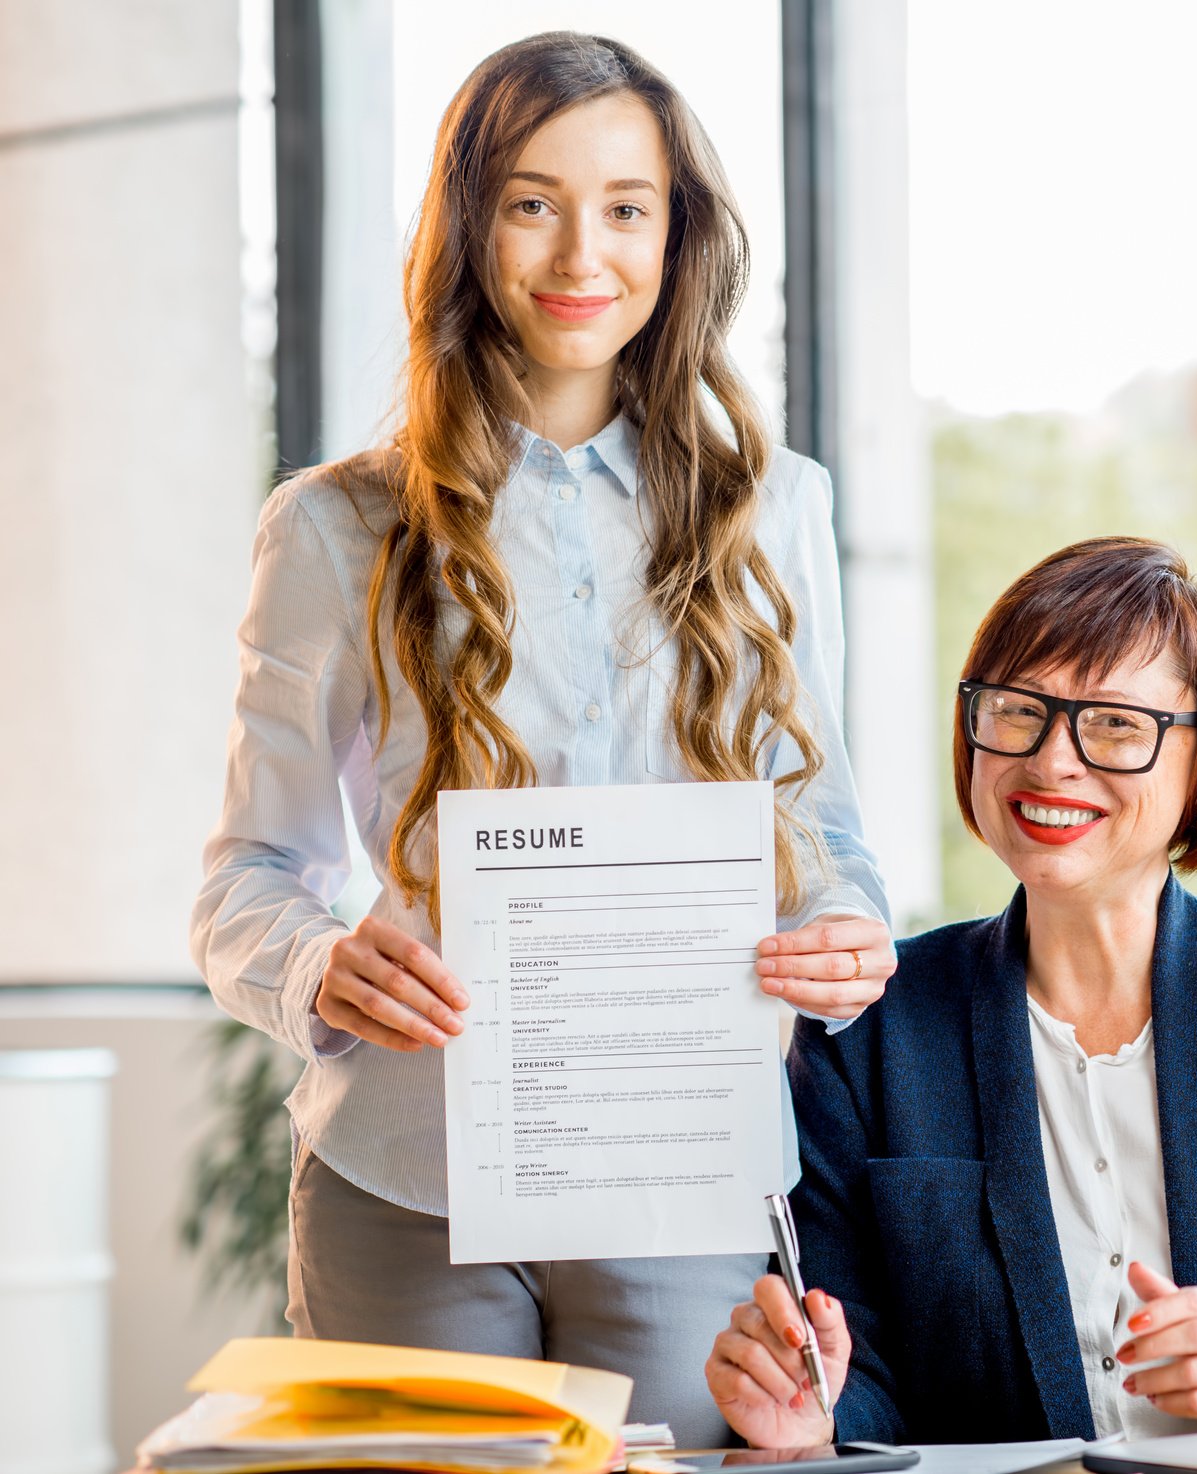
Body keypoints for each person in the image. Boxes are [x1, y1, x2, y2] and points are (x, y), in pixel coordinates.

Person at [189, 32, 893, 1446]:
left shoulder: (781, 512)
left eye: (628, 205)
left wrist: (846, 933)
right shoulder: (335, 528)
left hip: (680, 1169)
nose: (585, 249)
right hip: (404, 1170)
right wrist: (321, 960)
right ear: (469, 225)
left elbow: (826, 838)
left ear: (676, 234)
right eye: (532, 200)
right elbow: (246, 878)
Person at [706, 537, 1197, 1445]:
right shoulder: (873, 1026)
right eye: (1018, 712)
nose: (1051, 762)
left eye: (1116, 724)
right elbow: (868, 1376)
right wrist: (812, 1415)